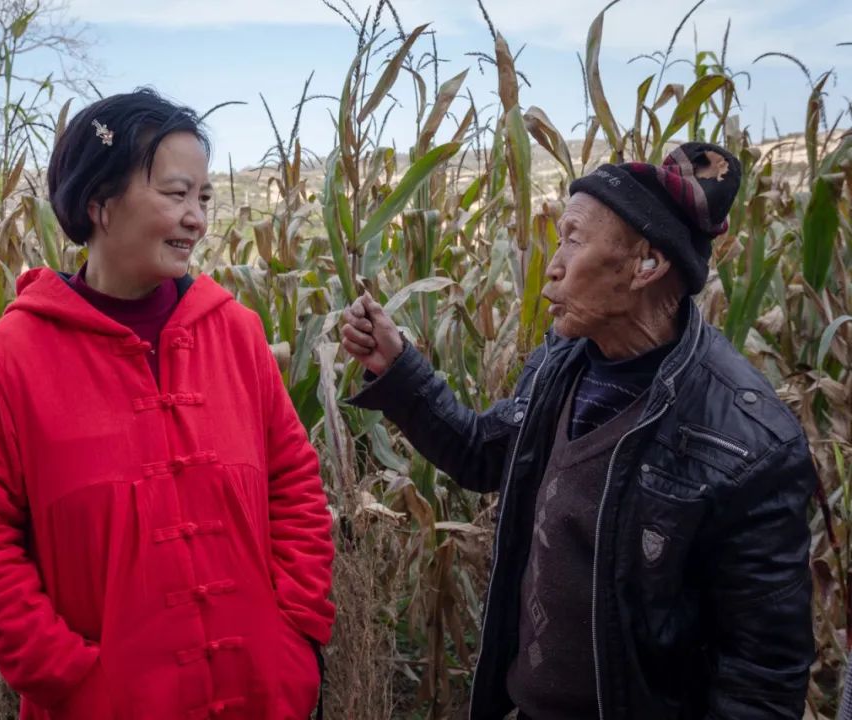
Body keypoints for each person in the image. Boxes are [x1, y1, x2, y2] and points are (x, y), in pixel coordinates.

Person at [342, 143, 816, 720]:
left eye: (572, 238)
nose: (554, 264)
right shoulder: (564, 363)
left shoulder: (749, 442)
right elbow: (481, 454)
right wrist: (398, 367)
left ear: (646, 264)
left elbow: (760, 682)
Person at [0, 89, 335, 720]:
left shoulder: (235, 333)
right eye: (176, 195)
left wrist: (297, 637)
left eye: (203, 198)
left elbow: (294, 487)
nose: (197, 218)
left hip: (264, 694)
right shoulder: (13, 355)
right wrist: (68, 678)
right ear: (99, 203)